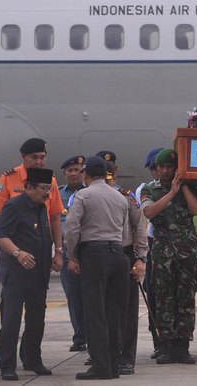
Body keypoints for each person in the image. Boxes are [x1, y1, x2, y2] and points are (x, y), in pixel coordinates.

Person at [0, 138, 64, 368]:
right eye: (34, 158)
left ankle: (31, 358)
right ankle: (6, 353)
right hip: (14, 253)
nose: (39, 162)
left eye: (42, 157)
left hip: (39, 257)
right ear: (24, 158)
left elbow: (54, 218)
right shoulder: (9, 178)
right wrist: (12, 247)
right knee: (10, 312)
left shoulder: (49, 181)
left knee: (37, 314)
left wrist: (58, 251)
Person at [64, 156, 130, 380]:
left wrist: (72, 255)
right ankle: (113, 365)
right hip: (118, 254)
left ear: (86, 175)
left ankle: (100, 366)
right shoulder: (120, 197)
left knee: (95, 313)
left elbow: (72, 229)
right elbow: (125, 231)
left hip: (93, 254)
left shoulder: (82, 195)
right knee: (114, 313)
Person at [140, 149, 197, 364]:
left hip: (187, 251)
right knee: (163, 299)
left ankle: (183, 347)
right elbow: (149, 213)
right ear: (156, 169)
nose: (166, 171)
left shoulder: (189, 187)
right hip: (162, 252)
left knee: (186, 299)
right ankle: (166, 346)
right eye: (162, 167)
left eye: (170, 167)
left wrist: (183, 187)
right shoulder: (149, 190)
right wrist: (170, 192)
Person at [0, 168, 57, 381]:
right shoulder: (14, 206)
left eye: (49, 188)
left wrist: (55, 254)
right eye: (43, 189)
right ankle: (7, 364)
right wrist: (18, 253)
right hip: (16, 274)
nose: (47, 193)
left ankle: (32, 359)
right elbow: (1, 236)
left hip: (38, 274)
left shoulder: (41, 206)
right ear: (29, 187)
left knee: (37, 319)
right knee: (11, 320)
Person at [105, 163, 148, 375]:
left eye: (110, 179)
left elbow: (140, 228)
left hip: (124, 253)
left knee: (128, 311)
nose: (108, 183)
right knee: (99, 309)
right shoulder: (84, 197)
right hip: (98, 256)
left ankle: (126, 357)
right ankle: (103, 354)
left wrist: (141, 258)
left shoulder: (127, 197)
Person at [135, 147, 163, 358]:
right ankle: (158, 341)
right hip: (153, 244)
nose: (158, 172)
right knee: (153, 295)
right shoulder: (145, 189)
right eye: (155, 168)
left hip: (174, 244)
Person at [57, 155, 87, 353]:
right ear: (65, 174)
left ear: (84, 172)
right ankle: (79, 336)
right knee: (73, 296)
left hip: (88, 251)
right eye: (70, 170)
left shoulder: (90, 193)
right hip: (68, 251)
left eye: (77, 169)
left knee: (92, 295)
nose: (74, 173)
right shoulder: (58, 195)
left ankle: (94, 334)